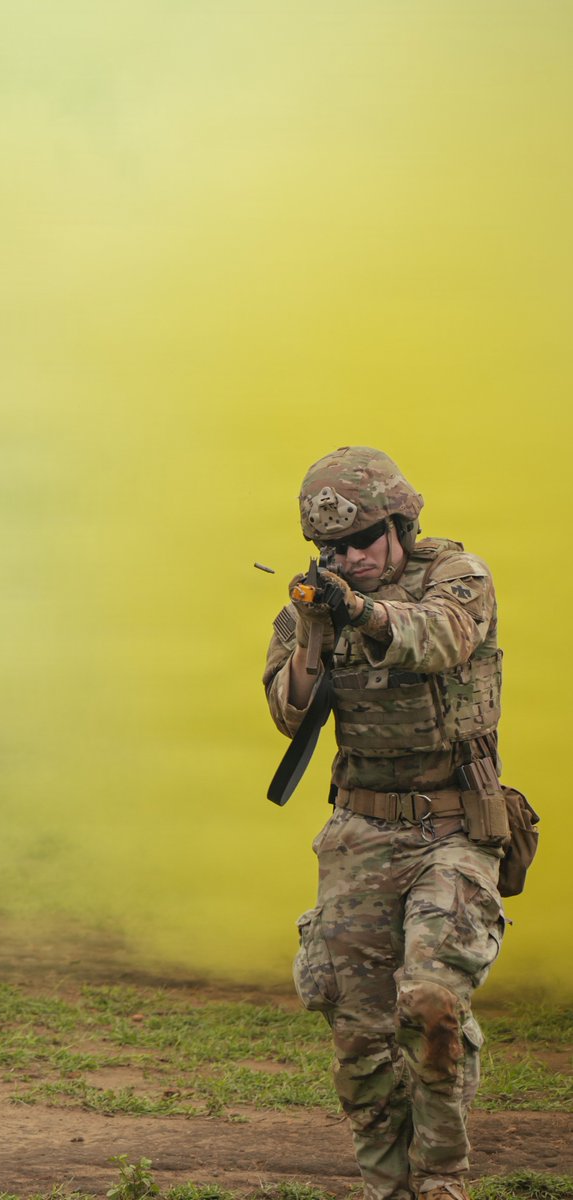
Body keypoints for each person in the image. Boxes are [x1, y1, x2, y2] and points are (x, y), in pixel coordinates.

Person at [264, 446, 507, 1200]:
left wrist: (357, 612)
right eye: (331, 548)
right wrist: (311, 631)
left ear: (399, 524)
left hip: (451, 828)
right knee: (360, 1038)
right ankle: (386, 1187)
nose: (349, 559)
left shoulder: (454, 577)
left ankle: (440, 1179)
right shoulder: (314, 603)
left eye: (363, 540)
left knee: (431, 1004)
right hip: (359, 831)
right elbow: (286, 713)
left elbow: (438, 639)